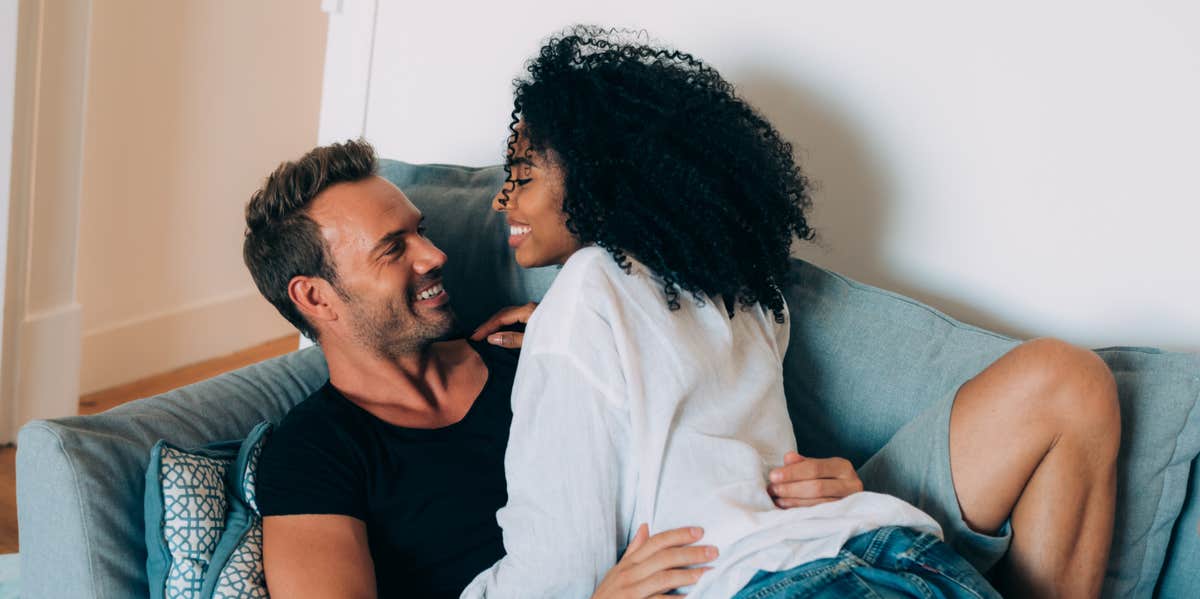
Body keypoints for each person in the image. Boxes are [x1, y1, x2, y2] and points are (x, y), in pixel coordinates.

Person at [460, 27, 1121, 599]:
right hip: (900, 552)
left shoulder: (583, 295)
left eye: (522, 173)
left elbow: (557, 574)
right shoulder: (744, 288)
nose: (502, 199)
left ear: (598, 174)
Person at [244, 140, 860, 599]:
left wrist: (817, 488)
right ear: (315, 297)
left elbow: (713, 437)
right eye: (393, 248)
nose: (435, 255)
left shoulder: (535, 350)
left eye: (421, 232)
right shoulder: (312, 454)